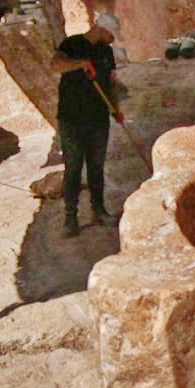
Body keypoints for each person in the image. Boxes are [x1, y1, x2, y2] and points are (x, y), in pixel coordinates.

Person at [53, 13, 125, 238]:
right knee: (73, 168)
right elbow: (55, 65)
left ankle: (99, 210)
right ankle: (70, 218)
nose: (112, 40)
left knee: (96, 166)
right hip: (71, 119)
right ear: (101, 29)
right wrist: (80, 64)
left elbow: (111, 82)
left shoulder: (106, 52)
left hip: (98, 117)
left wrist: (116, 108)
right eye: (110, 35)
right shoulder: (72, 43)